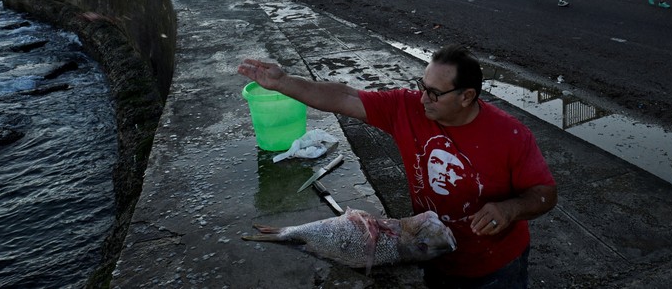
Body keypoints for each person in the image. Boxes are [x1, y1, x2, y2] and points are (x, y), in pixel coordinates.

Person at [238, 45, 557, 288]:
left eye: (434, 93)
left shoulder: (510, 135)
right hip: (432, 254)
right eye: (422, 86)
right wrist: (283, 82)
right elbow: (344, 97)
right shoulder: (407, 108)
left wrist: (509, 210)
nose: (423, 99)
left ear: (466, 96)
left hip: (495, 267)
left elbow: (545, 193)